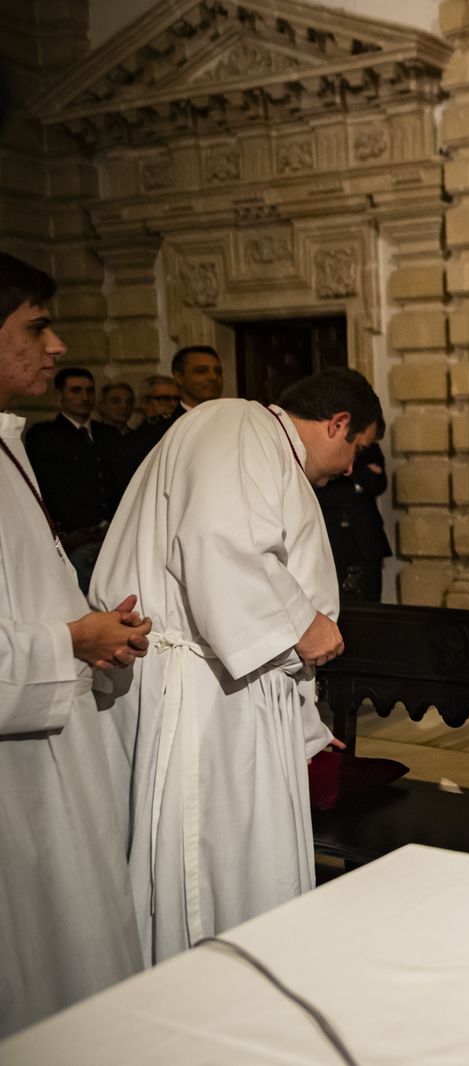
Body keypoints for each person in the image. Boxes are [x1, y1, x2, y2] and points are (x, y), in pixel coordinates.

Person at [90, 367, 380, 964]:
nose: (352, 467)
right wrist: (304, 622)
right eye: (358, 448)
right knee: (210, 874)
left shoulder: (263, 446)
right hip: (208, 695)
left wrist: (308, 733)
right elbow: (220, 540)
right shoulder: (236, 421)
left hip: (240, 688)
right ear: (338, 423)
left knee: (250, 870)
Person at [0, 252, 147, 1037]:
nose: (57, 349)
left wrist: (94, 632)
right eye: (36, 326)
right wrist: (72, 640)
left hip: (54, 765)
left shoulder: (7, 442)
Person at [24, 366, 110, 590]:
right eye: (76, 390)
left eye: (89, 391)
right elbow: (47, 486)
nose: (84, 397)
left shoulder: (106, 433)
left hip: (110, 534)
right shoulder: (45, 435)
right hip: (72, 537)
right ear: (59, 396)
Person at [315, 422, 392, 602]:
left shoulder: (370, 448)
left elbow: (378, 483)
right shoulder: (324, 449)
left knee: (371, 604)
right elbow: (321, 494)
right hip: (332, 542)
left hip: (366, 542)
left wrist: (346, 469)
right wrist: (355, 487)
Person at [105, 374, 181, 508]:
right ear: (145, 402)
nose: (172, 404)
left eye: (176, 399)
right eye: (164, 399)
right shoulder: (133, 439)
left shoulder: (179, 429)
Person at [171, 344, 224, 411]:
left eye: (218, 371)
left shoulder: (235, 418)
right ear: (179, 377)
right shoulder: (172, 421)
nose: (213, 377)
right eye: (201, 371)